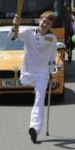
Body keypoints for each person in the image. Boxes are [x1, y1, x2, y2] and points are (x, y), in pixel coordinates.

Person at [10, 11, 57, 143]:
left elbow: (52, 57)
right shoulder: (28, 32)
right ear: (39, 20)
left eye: (48, 23)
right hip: (28, 71)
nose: (45, 24)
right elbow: (13, 37)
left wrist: (51, 72)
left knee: (39, 98)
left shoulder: (52, 38)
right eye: (44, 21)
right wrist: (15, 25)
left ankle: (35, 128)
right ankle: (35, 127)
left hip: (42, 73)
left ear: (50, 26)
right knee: (33, 92)